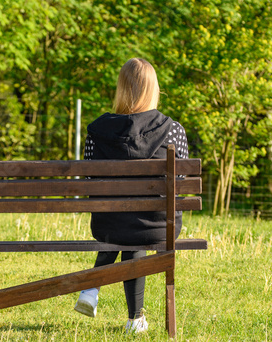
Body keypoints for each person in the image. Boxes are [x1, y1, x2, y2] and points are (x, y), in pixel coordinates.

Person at [73, 58, 189, 333]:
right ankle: (134, 319)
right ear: (153, 89)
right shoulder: (173, 130)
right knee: (135, 224)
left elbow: (90, 180)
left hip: (109, 225)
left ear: (122, 89)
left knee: (122, 220)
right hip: (159, 226)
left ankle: (91, 289)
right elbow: (182, 182)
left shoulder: (97, 131)